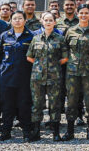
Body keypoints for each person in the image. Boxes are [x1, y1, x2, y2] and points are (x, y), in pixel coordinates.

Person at [62, 5, 89, 140]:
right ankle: (70, 130)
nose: (83, 15)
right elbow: (65, 49)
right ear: (78, 14)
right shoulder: (70, 31)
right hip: (72, 72)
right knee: (71, 101)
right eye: (81, 13)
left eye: (86, 13)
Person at [27, 12, 67, 142]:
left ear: (55, 22)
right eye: (46, 20)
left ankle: (56, 132)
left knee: (54, 104)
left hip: (54, 76)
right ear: (42, 22)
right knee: (37, 104)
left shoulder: (60, 39)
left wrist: (53, 65)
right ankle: (36, 131)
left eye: (51, 20)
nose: (48, 22)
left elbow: (65, 57)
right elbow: (29, 56)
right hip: (37, 77)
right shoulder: (36, 38)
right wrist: (40, 65)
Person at [0, 11, 34, 142]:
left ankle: (26, 132)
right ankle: (5, 131)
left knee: (24, 105)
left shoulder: (31, 36)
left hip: (25, 76)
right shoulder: (4, 36)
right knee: (7, 105)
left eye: (20, 18)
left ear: (25, 21)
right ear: (11, 21)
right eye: (15, 19)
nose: (17, 21)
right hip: (6, 76)